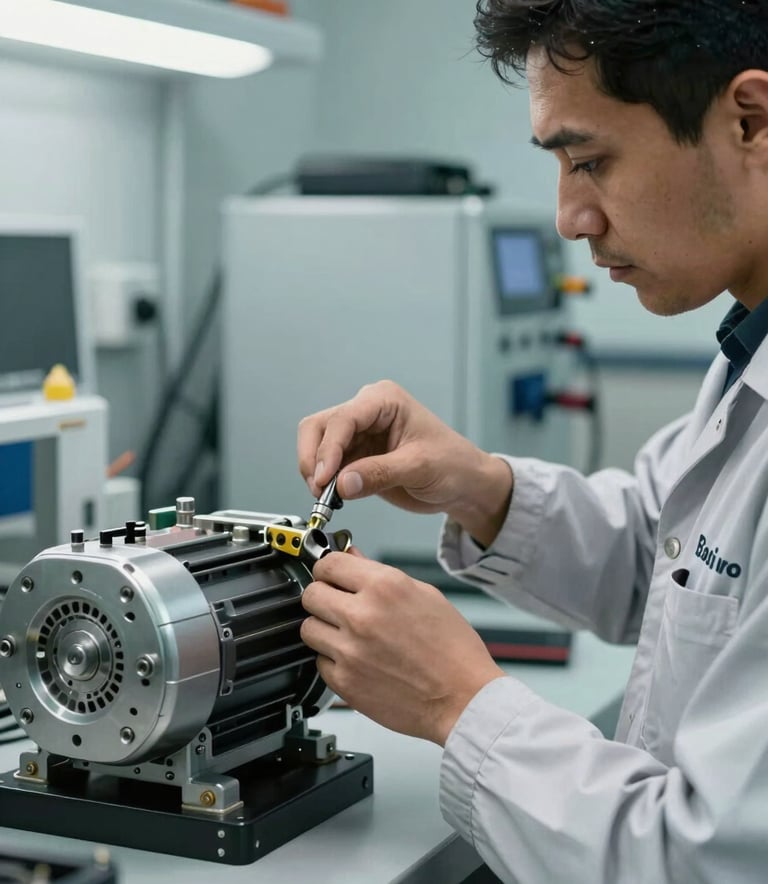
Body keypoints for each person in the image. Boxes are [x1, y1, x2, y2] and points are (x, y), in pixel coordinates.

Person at [297, 2, 768, 881]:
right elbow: (665, 558)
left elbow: (706, 862)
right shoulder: (749, 348)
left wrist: (456, 699)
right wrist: (480, 486)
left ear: (750, 120)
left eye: (591, 162)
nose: (570, 219)